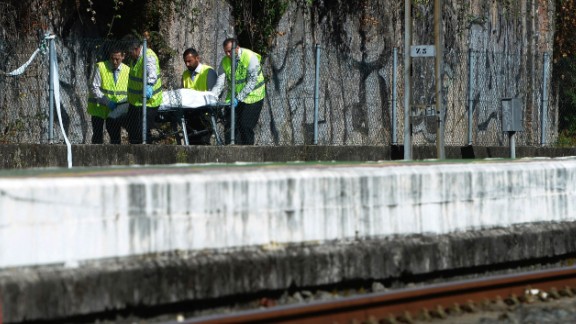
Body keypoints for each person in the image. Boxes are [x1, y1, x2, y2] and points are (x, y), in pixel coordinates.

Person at [211, 38, 266, 145]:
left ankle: (248, 155)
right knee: (230, 127)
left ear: (237, 48)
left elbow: (252, 82)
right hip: (234, 98)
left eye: (229, 51)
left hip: (253, 96)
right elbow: (220, 83)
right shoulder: (225, 62)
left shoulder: (249, 57)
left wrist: (238, 99)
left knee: (245, 126)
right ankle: (231, 155)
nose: (227, 54)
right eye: (225, 51)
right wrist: (212, 97)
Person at [125, 35, 163, 144]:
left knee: (143, 130)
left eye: (130, 52)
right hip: (136, 102)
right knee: (132, 130)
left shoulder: (148, 56)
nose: (129, 55)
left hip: (149, 101)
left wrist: (149, 85)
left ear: (136, 49)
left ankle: (146, 155)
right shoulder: (135, 58)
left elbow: (152, 73)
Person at [87, 47, 129, 144]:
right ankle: (96, 157)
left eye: (117, 59)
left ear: (123, 57)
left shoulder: (127, 70)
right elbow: (94, 87)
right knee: (97, 135)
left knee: (115, 136)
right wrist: (107, 101)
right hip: (99, 108)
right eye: (112, 58)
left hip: (115, 110)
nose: (114, 62)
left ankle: (116, 157)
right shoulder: (101, 67)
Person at [181, 47, 218, 144]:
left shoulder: (208, 72)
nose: (187, 64)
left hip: (205, 113)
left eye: (189, 61)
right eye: (185, 62)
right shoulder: (185, 75)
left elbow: (213, 95)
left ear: (197, 58)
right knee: (191, 141)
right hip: (190, 113)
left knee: (203, 141)